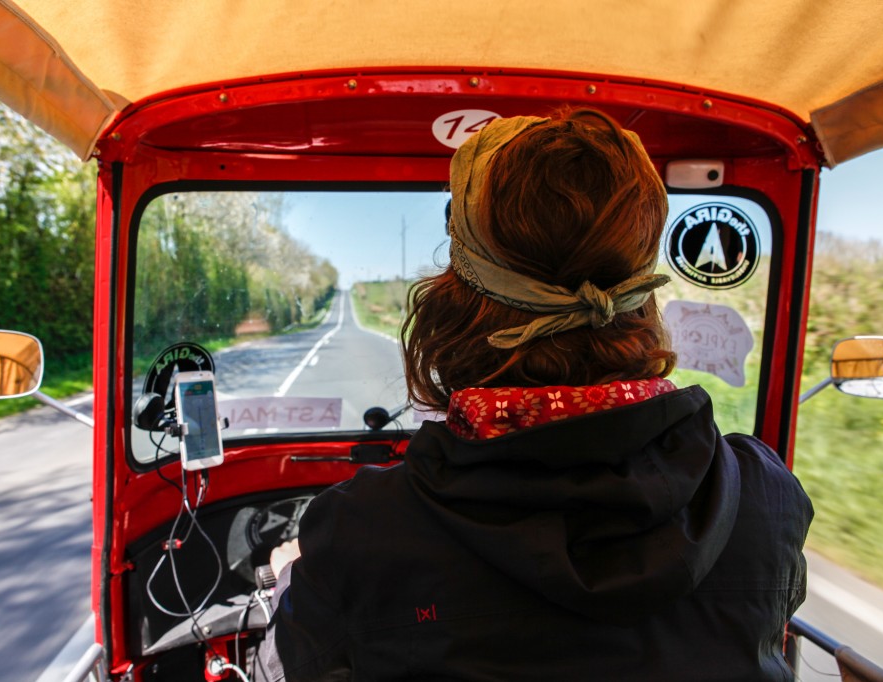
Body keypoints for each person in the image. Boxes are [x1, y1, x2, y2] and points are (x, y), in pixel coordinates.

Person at [260, 109, 813, 680]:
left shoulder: (362, 530)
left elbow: (289, 667)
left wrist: (290, 581)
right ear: (642, 296)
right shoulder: (763, 497)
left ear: (456, 300)